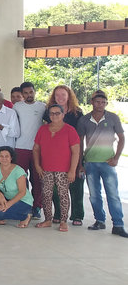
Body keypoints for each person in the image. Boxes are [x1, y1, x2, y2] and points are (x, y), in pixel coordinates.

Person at [77, 90, 127, 238]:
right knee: (94, 195)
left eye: (103, 102)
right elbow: (80, 143)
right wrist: (81, 163)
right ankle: (99, 220)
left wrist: (116, 158)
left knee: (112, 194)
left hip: (107, 163)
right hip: (90, 162)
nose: (100, 105)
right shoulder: (84, 120)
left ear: (106, 103)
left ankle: (118, 224)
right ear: (92, 102)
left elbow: (122, 138)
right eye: (97, 102)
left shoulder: (113, 118)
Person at [32, 104, 79, 232]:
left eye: (57, 113)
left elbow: (76, 152)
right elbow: (36, 149)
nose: (54, 116)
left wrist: (72, 170)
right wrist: (37, 165)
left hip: (63, 169)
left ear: (63, 115)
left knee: (63, 194)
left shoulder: (70, 130)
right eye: (51, 113)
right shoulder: (43, 129)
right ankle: (47, 219)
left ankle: (63, 221)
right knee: (46, 194)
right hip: (46, 169)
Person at [45, 84, 85, 226]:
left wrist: (79, 162)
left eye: (63, 94)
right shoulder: (49, 112)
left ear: (69, 96)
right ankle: (58, 213)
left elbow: (80, 138)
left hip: (74, 153)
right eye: (57, 95)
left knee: (75, 186)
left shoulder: (77, 113)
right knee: (56, 188)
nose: (60, 97)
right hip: (56, 156)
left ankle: (77, 215)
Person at [13, 81, 46, 216]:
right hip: (20, 146)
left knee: (37, 179)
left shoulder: (43, 106)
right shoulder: (17, 106)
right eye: (25, 93)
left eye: (31, 92)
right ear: (22, 95)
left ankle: (37, 206)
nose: (29, 95)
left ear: (35, 92)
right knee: (21, 179)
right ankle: (24, 205)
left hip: (38, 148)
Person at [0, 146, 33, 228]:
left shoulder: (18, 171)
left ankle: (26, 216)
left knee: (2, 212)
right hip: (7, 198)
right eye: (1, 156)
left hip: (23, 201)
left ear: (11, 158)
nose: (4, 159)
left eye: (7, 156)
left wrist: (7, 205)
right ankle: (0, 219)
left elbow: (22, 192)